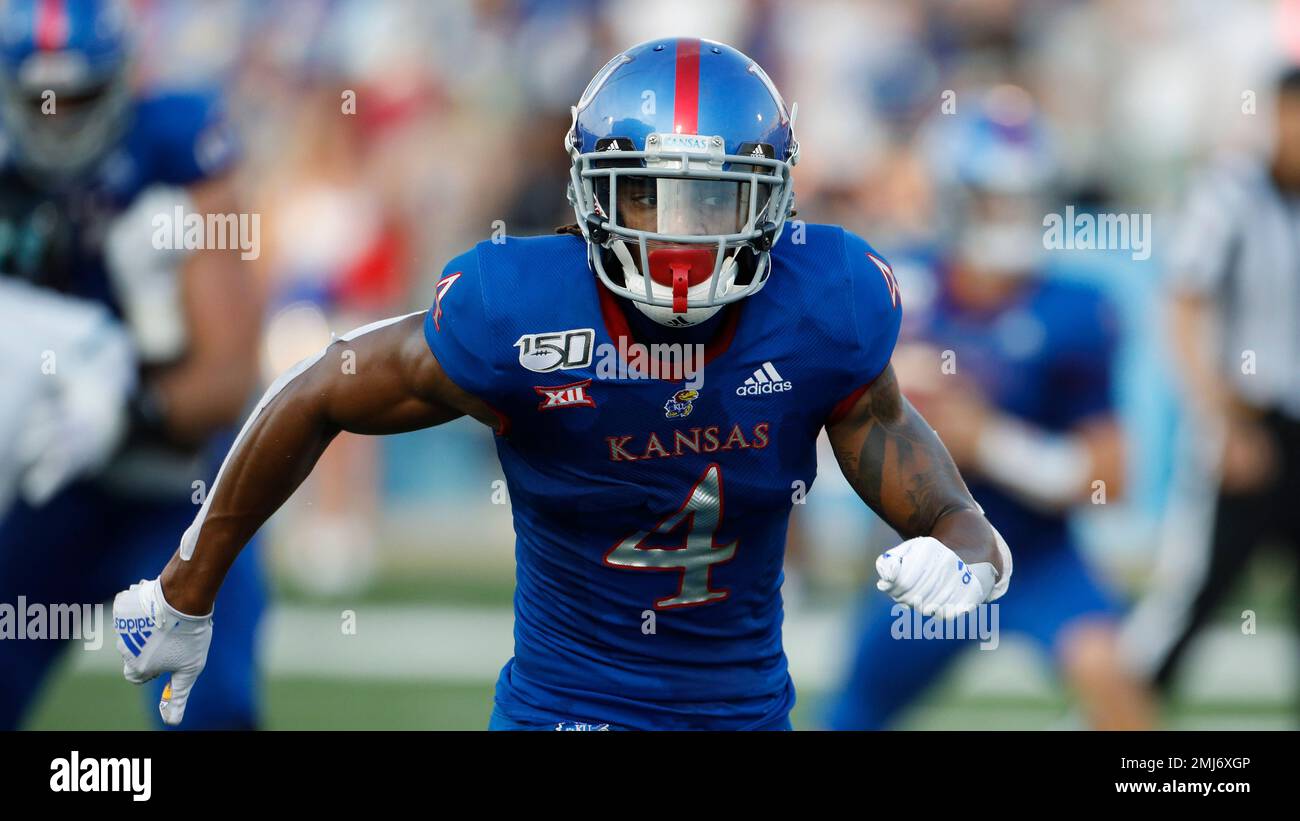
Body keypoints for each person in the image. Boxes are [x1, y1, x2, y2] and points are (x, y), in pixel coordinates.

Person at [113, 37, 1011, 731]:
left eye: (712, 200)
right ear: (591, 193)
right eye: (648, 195)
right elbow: (320, 389)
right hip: (567, 708)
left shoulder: (826, 305)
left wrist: (973, 549)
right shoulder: (522, 314)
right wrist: (188, 586)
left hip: (746, 714)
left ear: (770, 202)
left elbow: (927, 486)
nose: (679, 237)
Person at [828, 86, 1153, 730]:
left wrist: (990, 442)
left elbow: (1109, 480)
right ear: (955, 197)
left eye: (1023, 199)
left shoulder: (1075, 307)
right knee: (852, 713)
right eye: (991, 198)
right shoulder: (900, 287)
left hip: (1037, 554)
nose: (1008, 216)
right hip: (931, 552)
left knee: (1107, 673)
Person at [0, 0, 265, 729]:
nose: (56, 117)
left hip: (173, 488)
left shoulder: (174, 146)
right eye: (37, 98)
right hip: (50, 488)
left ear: (120, 80)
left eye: (77, 96)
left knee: (211, 711)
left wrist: (128, 405)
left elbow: (227, 378)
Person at [1122, 66, 1300, 708]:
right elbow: (1184, 308)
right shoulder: (1232, 193)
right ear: (1278, 114)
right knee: (1188, 604)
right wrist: (1223, 420)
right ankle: (1118, 717)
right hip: (1249, 420)